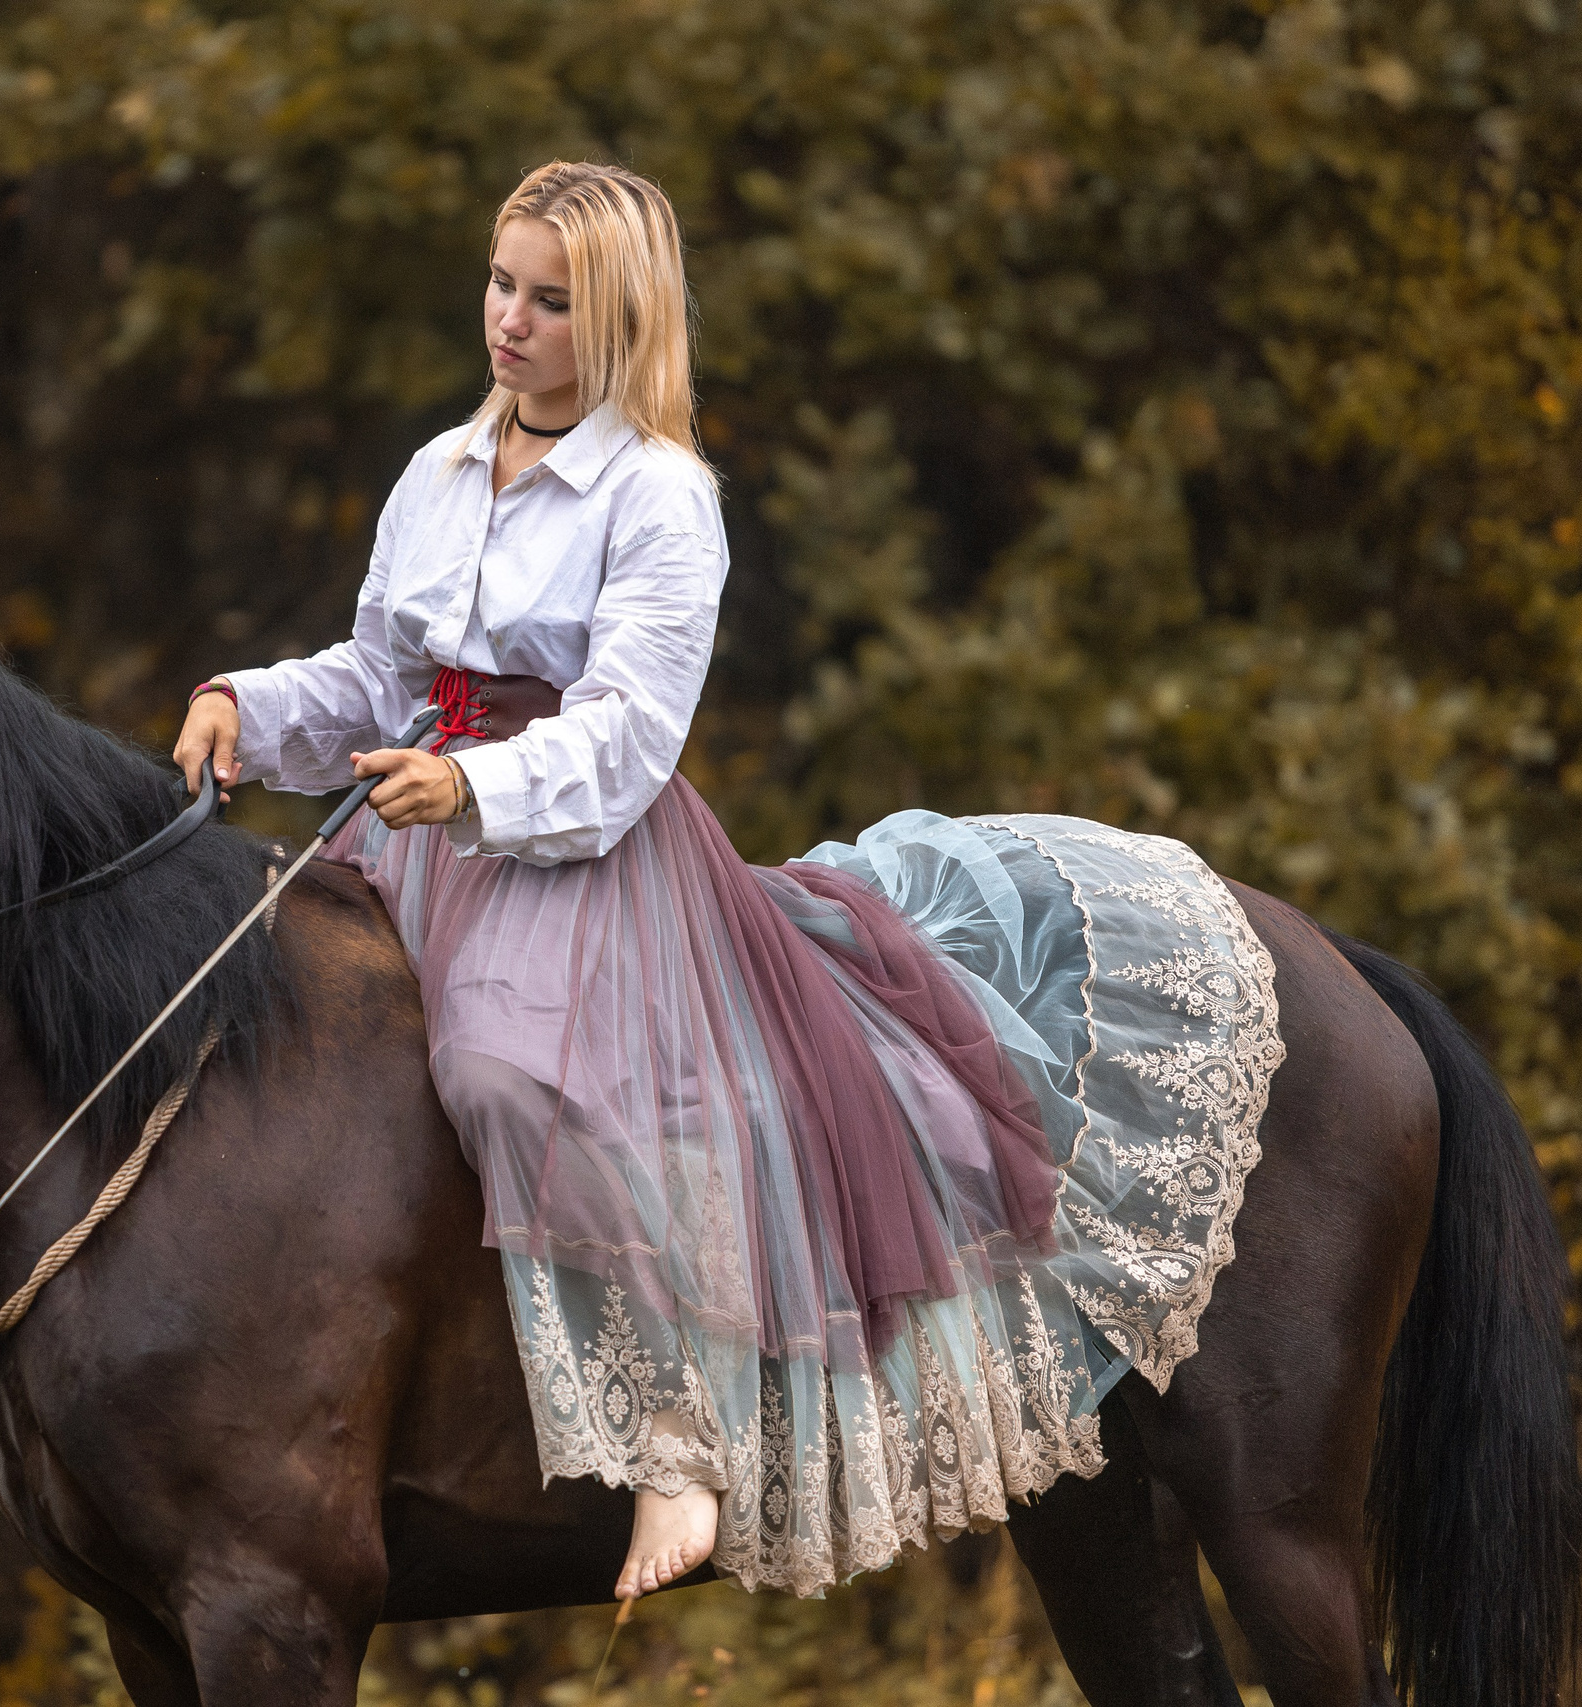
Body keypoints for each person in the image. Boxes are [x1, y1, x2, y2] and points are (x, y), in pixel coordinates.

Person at [172, 162, 1273, 1601]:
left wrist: (479, 788)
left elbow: (630, 731)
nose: (510, 321)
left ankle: (675, 1444)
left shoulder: (660, 495)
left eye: (551, 302)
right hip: (416, 830)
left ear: (620, 320)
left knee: (509, 1078)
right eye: (502, 285)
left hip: (573, 850)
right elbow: (379, 677)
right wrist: (248, 707)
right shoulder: (439, 472)